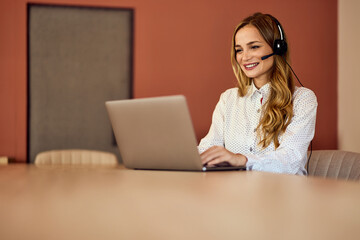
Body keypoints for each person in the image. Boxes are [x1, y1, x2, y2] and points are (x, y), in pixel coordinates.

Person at [198, 13, 317, 175]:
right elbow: (209, 146)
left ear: (277, 48)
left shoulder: (302, 99)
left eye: (254, 47)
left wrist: (242, 159)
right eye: (239, 50)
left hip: (283, 194)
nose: (244, 57)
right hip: (235, 193)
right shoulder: (228, 99)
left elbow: (290, 159)